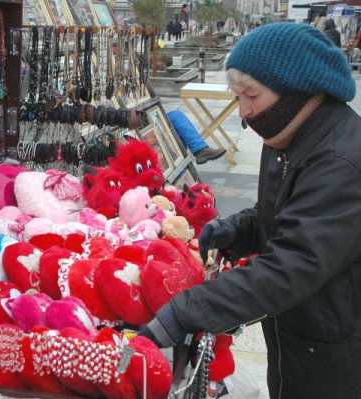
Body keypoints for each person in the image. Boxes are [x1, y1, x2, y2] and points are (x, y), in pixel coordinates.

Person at [138, 22, 360, 399]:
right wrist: (241, 229)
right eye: (237, 96)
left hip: (337, 350)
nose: (243, 111)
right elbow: (284, 210)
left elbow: (295, 262)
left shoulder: (340, 161)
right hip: (298, 335)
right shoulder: (290, 134)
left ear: (296, 91)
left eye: (251, 96)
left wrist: (188, 310)